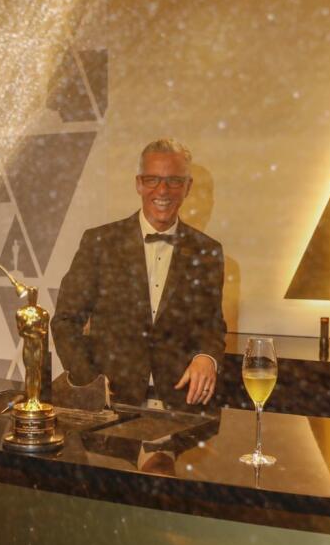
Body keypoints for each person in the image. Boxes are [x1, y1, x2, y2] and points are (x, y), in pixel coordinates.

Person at [51, 137, 226, 407]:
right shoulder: (99, 243)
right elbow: (65, 320)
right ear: (138, 184)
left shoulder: (207, 252)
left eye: (174, 181)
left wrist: (207, 357)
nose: (163, 190)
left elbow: (212, 326)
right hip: (112, 404)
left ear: (187, 187)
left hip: (182, 405)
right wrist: (90, 381)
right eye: (152, 180)